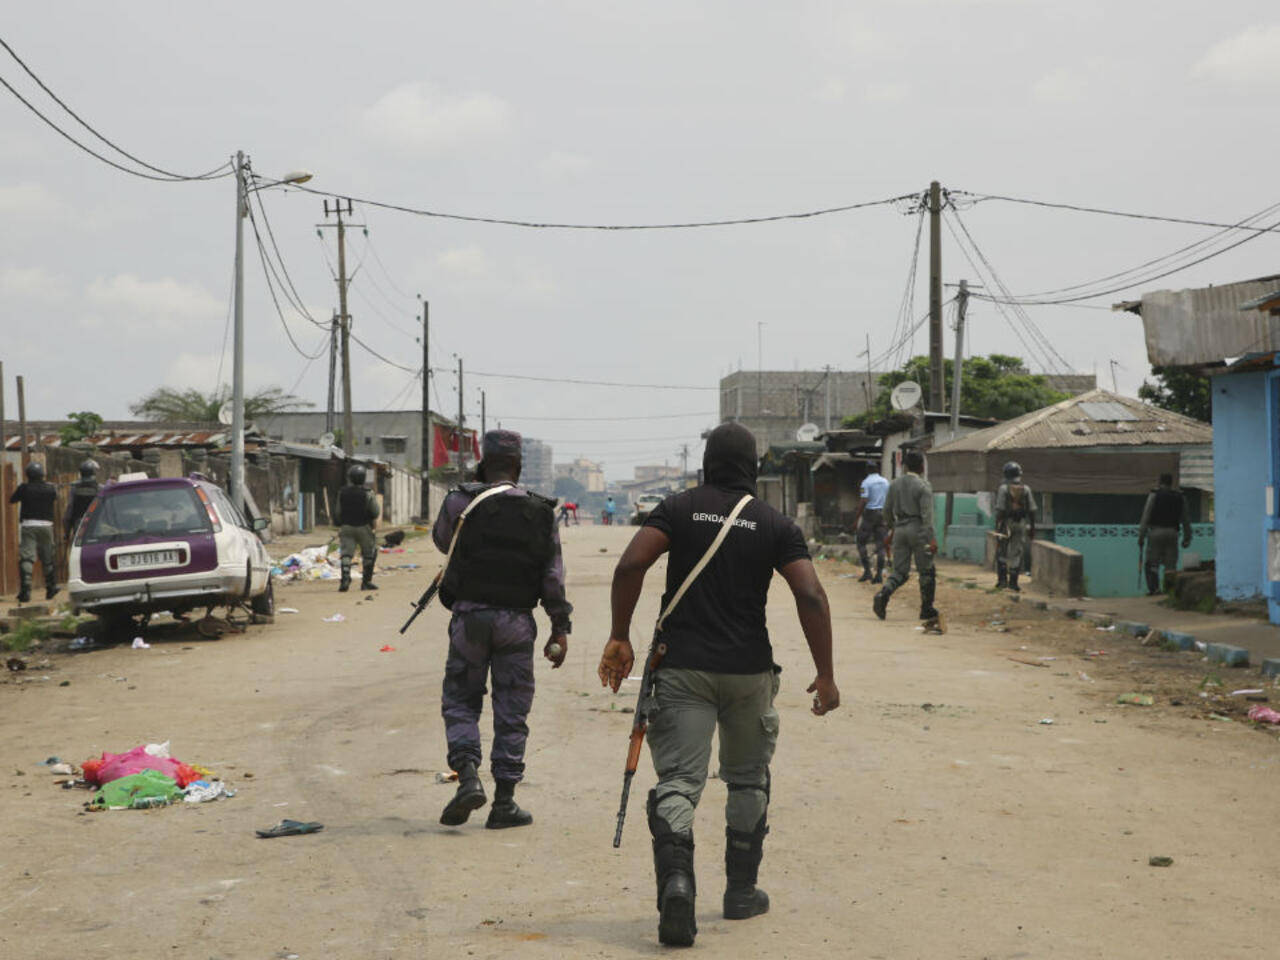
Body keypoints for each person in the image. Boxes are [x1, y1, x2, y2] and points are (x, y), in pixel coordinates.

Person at [598, 421, 839, 948]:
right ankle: (741, 892)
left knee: (680, 782)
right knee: (748, 779)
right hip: (749, 672)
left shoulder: (678, 509)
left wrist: (620, 634)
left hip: (682, 668)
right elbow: (812, 596)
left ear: (706, 464)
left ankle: (678, 884)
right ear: (753, 469)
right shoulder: (775, 524)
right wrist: (824, 673)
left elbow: (632, 563)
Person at [434, 430, 572, 829]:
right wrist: (559, 627)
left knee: (461, 701)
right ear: (518, 466)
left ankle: (468, 776)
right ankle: (504, 803)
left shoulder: (460, 499)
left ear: (482, 461)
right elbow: (553, 576)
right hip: (516, 622)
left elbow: (445, 542)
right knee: (512, 711)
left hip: (470, 618)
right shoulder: (541, 510)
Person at [873, 449, 939, 623]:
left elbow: (886, 511)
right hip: (918, 530)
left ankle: (883, 594)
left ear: (905, 466)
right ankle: (926, 609)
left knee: (900, 571)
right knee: (926, 570)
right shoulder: (923, 486)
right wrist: (931, 539)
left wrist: (893, 528)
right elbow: (927, 516)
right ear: (922, 466)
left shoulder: (894, 484)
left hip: (900, 529)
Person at [10, 461, 58, 602]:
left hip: (28, 525)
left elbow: (12, 499)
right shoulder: (50, 488)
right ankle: (51, 588)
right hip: (46, 525)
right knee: (48, 557)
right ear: (42, 474)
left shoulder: (24, 488)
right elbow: (55, 496)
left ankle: (25, 590)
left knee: (27, 558)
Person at [1138, 473, 1191, 596]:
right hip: (1173, 533)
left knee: (1152, 562)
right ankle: (1170, 592)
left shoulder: (1154, 495)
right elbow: (1186, 519)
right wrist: (1187, 538)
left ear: (1160, 482)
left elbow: (1145, 517)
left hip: (1156, 532)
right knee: (1170, 564)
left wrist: (1141, 537)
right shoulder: (1180, 497)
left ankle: (1154, 590)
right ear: (1171, 483)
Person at [336, 463, 380, 592]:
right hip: (363, 527)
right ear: (364, 478)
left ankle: (345, 579)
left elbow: (338, 512)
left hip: (346, 527)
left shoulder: (342, 492)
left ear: (350, 477)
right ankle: (366, 582)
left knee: (346, 554)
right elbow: (375, 512)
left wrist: (341, 523)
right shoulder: (368, 493)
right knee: (369, 554)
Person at [994, 461, 1036, 592]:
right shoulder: (1026, 489)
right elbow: (1032, 510)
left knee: (1002, 550)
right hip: (1020, 523)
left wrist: (998, 525)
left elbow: (1000, 509)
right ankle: (1013, 583)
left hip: (1006, 523)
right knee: (1016, 552)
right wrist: (1032, 528)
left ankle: (1002, 582)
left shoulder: (1003, 489)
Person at [852, 461, 889, 583]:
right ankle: (878, 574)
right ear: (877, 469)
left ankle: (867, 571)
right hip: (883, 514)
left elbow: (864, 500)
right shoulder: (885, 481)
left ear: (867, 470)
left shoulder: (866, 482)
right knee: (881, 544)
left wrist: (856, 519)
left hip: (870, 514)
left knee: (861, 541)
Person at [65, 459, 100, 539]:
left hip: (79, 523)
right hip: (95, 522)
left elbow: (70, 509)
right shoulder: (99, 488)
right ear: (93, 473)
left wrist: (67, 531)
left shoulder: (74, 487)